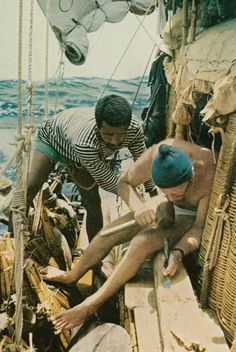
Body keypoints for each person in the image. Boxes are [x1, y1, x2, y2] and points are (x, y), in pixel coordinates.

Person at [40, 138, 216, 330]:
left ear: (190, 176)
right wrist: (139, 207)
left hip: (191, 215)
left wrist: (178, 252)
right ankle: (72, 275)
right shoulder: (159, 152)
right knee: (108, 232)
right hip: (165, 207)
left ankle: (89, 306)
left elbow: (198, 228)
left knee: (141, 242)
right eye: (167, 192)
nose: (172, 197)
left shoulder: (208, 174)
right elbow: (124, 183)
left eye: (177, 193)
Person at [27, 94, 156, 241]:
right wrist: (139, 205)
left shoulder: (134, 130)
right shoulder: (85, 142)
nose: (115, 141)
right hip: (53, 140)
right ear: (98, 126)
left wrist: (155, 197)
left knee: (93, 204)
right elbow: (109, 182)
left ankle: (96, 261)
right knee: (31, 187)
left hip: (88, 152)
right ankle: (14, 235)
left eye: (121, 134)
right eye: (108, 134)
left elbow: (143, 163)